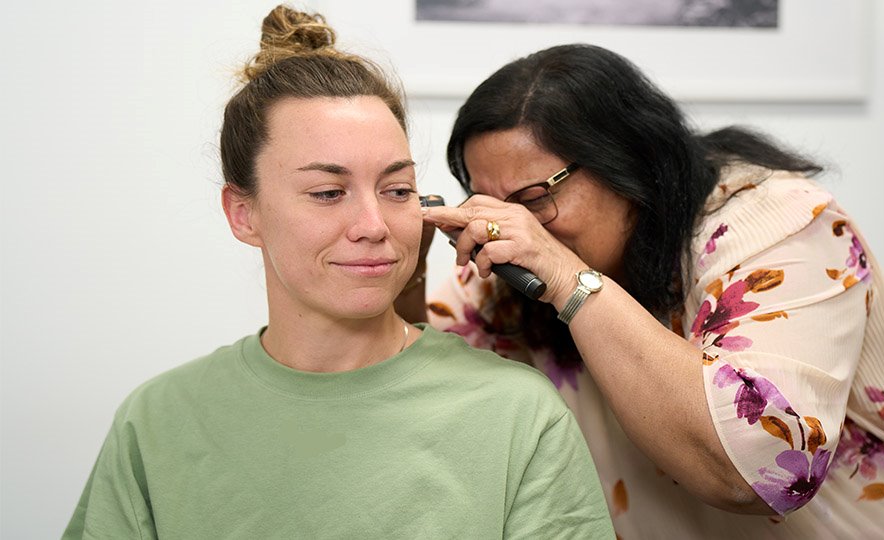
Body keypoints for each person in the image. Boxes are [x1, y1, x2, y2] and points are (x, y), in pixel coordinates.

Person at [63, 10, 615, 539]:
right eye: (329, 193)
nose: (374, 225)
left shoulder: (519, 414)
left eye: (397, 190)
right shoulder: (157, 422)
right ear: (244, 214)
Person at [412, 43, 884, 538]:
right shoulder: (516, 263)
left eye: (533, 197)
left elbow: (761, 467)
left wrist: (570, 283)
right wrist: (405, 267)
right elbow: (424, 392)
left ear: (626, 163)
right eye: (488, 202)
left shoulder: (779, 224)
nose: (510, 224)